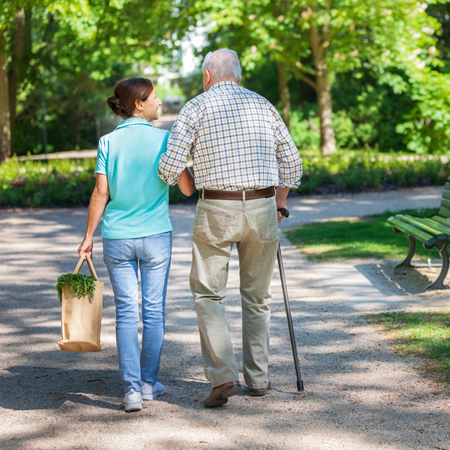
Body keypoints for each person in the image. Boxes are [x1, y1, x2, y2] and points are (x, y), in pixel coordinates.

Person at [158, 49, 302, 407]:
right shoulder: (263, 104)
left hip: (216, 206)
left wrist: (188, 174)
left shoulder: (196, 107)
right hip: (263, 206)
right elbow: (294, 165)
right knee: (257, 297)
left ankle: (223, 378)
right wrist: (280, 199)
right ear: (237, 75)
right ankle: (259, 379)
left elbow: (168, 168)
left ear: (208, 75)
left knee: (208, 294)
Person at [78, 77, 195, 412]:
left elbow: (101, 193)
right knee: (153, 311)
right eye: (155, 97)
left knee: (127, 313)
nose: (160, 102)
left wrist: (88, 237)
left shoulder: (108, 142)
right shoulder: (165, 139)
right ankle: (147, 384)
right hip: (156, 236)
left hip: (116, 237)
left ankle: (130, 391)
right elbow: (187, 189)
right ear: (139, 103)